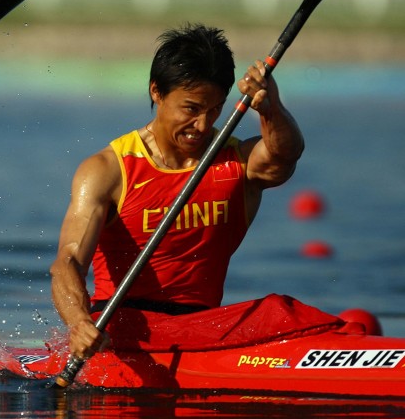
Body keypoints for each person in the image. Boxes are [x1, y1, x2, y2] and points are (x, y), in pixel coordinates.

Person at [50, 24, 304, 359]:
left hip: (202, 330)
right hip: (123, 332)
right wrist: (78, 323)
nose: (202, 125)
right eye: (191, 108)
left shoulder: (237, 162)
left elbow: (284, 155)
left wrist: (270, 107)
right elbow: (67, 262)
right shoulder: (108, 171)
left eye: (214, 110)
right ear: (157, 92)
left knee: (281, 311)